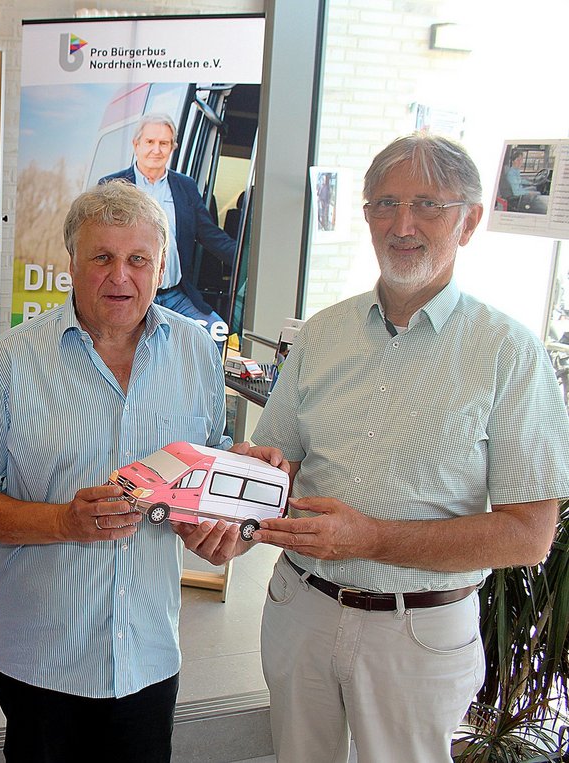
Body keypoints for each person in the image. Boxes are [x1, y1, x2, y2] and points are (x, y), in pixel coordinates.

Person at [251, 132, 569, 762]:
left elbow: (529, 535)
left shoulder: (510, 353)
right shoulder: (319, 336)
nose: (402, 225)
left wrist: (372, 540)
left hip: (418, 631)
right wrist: (239, 493)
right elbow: (275, 464)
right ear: (365, 215)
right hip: (300, 610)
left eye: (428, 204)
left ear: (470, 220)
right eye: (384, 204)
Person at [0, 181, 285, 762]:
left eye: (138, 259)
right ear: (72, 265)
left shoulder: (196, 352)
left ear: (161, 266)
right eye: (101, 257)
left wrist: (230, 521)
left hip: (148, 652)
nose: (120, 276)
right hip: (42, 657)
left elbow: (204, 472)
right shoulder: (4, 364)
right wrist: (64, 523)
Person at [99, 113, 237, 341]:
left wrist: (250, 264)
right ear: (136, 145)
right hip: (132, 293)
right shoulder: (112, 186)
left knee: (215, 335)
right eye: (150, 142)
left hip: (175, 295)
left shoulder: (185, 187)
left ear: (173, 147)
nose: (157, 149)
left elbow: (210, 235)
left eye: (164, 143)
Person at [502, 148, 548, 214]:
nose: (520, 162)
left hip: (519, 190)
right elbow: (516, 192)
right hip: (517, 197)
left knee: (533, 188)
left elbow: (520, 180)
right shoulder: (511, 174)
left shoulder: (515, 170)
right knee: (538, 193)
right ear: (513, 161)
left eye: (521, 160)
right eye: (518, 160)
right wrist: (528, 193)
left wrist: (530, 183)